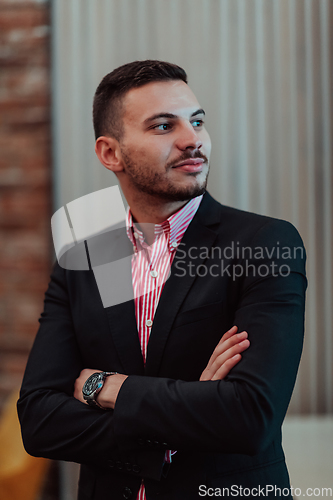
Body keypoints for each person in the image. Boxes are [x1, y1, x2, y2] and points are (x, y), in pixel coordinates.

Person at [18, 60, 307, 500]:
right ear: (110, 153)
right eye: (162, 126)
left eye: (197, 121)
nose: (193, 140)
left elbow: (250, 417)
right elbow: (39, 422)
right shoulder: (87, 260)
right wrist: (190, 410)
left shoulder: (263, 244)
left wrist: (104, 387)